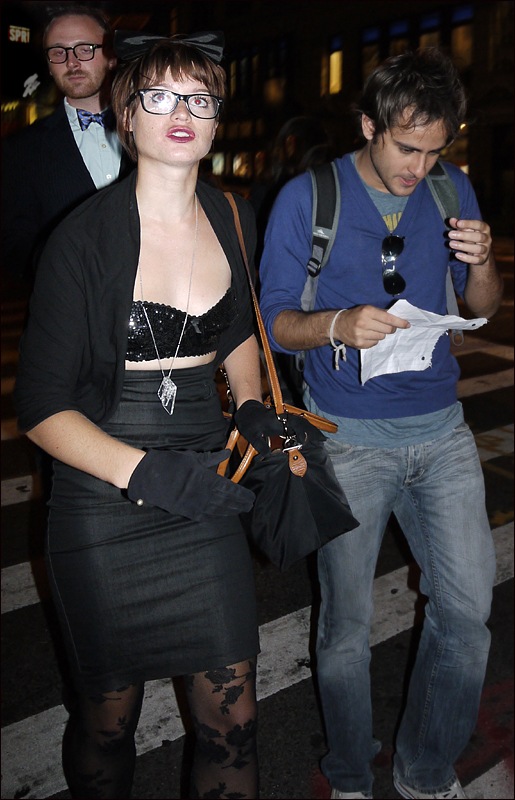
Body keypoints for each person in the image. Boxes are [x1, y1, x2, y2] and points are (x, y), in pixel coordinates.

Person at [14, 29, 288, 800]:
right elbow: (39, 405)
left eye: (200, 99)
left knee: (234, 720)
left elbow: (236, 328)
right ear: (125, 116)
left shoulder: (232, 215)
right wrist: (146, 474)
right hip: (104, 494)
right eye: (160, 96)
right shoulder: (80, 239)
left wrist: (253, 408)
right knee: (108, 719)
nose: (182, 113)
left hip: (203, 487)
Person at [258, 48, 503, 800]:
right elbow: (273, 323)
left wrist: (482, 260)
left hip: (440, 431)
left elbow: (481, 306)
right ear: (369, 125)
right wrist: (336, 323)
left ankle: (424, 769)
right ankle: (347, 772)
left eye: (435, 150)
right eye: (406, 148)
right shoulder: (309, 198)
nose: (419, 167)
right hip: (348, 439)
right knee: (345, 628)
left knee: (466, 615)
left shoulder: (449, 187)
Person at [1, 3, 130, 284]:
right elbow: (14, 245)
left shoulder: (148, 130)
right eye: (58, 52)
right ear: (49, 65)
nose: (71, 62)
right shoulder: (20, 150)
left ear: (111, 57)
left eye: (85, 49)